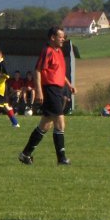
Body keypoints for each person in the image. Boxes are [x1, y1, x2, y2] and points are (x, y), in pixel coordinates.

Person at [18, 27, 74, 165]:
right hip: (50, 89)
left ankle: (25, 154)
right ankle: (61, 158)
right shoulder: (47, 51)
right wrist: (39, 91)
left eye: (64, 37)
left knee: (45, 124)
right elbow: (37, 71)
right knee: (60, 122)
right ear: (52, 37)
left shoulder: (59, 52)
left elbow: (60, 72)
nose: (63, 39)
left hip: (58, 90)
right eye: (60, 37)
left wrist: (69, 85)